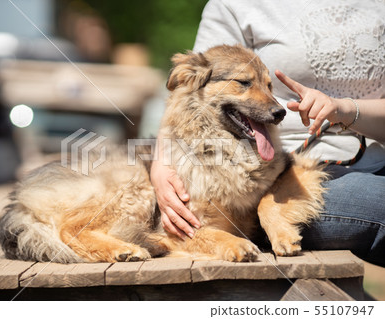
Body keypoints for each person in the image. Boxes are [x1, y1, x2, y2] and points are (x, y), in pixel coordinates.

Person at [150, 0, 385, 266]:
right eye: (244, 83)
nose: (274, 104)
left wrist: (344, 108)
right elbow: (187, 89)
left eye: (268, 87)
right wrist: (161, 163)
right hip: (295, 172)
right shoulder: (234, 6)